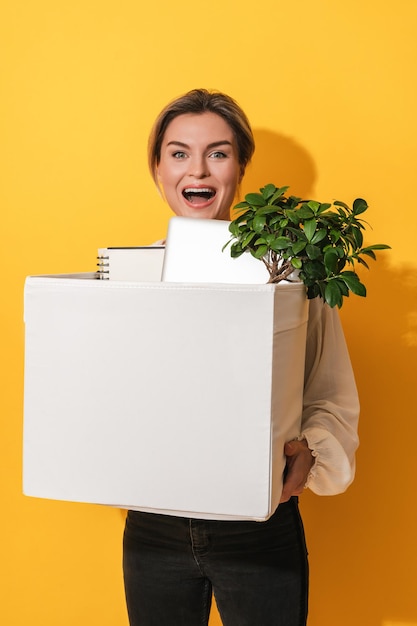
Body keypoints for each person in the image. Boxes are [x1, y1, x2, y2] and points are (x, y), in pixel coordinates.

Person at [122, 89, 360, 626]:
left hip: (259, 524)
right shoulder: (128, 279)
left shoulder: (293, 276)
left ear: (241, 167)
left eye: (219, 152)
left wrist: (311, 458)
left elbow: (330, 391)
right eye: (179, 153)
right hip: (153, 528)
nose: (197, 169)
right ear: (158, 168)